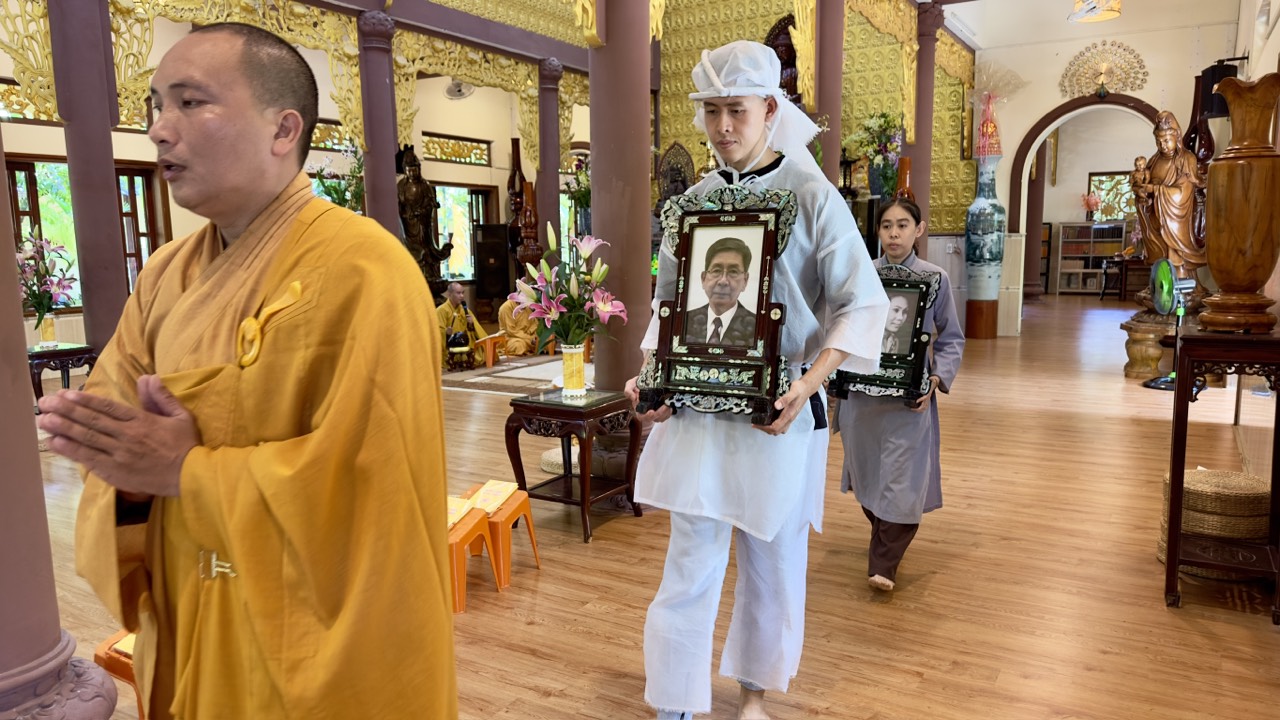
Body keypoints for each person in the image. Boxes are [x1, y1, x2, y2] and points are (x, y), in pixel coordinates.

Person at [35, 23, 456, 720]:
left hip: (307, 639)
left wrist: (187, 471)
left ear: (283, 129)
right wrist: (125, 460)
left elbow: (376, 488)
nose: (159, 130)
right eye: (155, 106)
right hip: (192, 608)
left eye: (190, 102)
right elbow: (117, 429)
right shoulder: (165, 275)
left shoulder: (366, 270)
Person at [625, 41, 888, 720]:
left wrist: (809, 384)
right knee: (690, 558)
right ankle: (675, 700)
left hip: (777, 409)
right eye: (711, 111)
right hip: (699, 413)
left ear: (770, 109)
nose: (722, 127)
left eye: (736, 110)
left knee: (771, 559)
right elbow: (668, 304)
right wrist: (652, 377)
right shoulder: (693, 203)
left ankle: (753, 696)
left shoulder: (811, 194)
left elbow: (862, 303)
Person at [834, 198, 964, 593]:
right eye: (887, 225)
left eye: (903, 225)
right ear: (878, 231)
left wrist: (937, 379)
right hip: (861, 396)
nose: (894, 233)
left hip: (909, 399)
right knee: (868, 474)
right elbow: (842, 328)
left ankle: (884, 564)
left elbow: (952, 338)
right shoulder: (862, 275)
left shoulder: (935, 278)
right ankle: (882, 537)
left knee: (902, 477)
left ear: (918, 230)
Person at [1135, 111, 1205, 279]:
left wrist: (1156, 190)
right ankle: (1158, 286)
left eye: (1166, 140)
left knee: (1176, 258)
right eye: (1158, 141)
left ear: (1176, 137)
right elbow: (1145, 185)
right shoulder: (1153, 161)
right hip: (1156, 217)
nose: (1163, 146)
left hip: (1176, 218)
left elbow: (1183, 192)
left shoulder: (1186, 159)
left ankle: (1182, 282)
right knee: (1159, 259)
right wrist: (1142, 194)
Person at [683, 236, 758, 347]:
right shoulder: (684, 322)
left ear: (745, 281)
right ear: (703, 278)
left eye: (733, 271)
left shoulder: (757, 327)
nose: (723, 281)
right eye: (716, 270)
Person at [436, 281, 486, 368]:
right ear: (449, 294)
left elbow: (474, 331)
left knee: (482, 354)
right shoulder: (441, 310)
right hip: (449, 345)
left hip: (464, 342)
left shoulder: (465, 310)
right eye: (458, 293)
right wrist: (446, 333)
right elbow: (436, 332)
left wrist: (471, 324)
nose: (462, 296)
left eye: (463, 293)